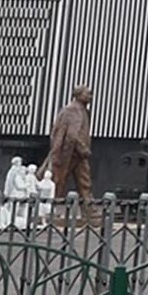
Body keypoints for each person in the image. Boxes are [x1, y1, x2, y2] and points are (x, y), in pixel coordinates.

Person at [45, 85, 94, 220]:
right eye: (87, 94)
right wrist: (82, 148)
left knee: (84, 182)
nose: (90, 97)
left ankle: (89, 211)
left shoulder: (83, 110)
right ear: (78, 95)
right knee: (58, 181)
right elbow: (72, 135)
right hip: (68, 152)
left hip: (76, 153)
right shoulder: (72, 110)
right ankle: (48, 209)